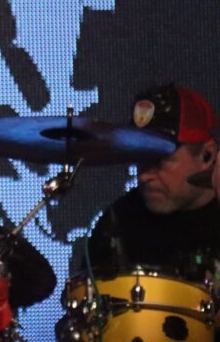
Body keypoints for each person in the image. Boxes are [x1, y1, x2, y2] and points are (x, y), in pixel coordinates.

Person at [87, 84, 220, 278]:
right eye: (141, 157)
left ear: (206, 155)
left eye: (159, 160)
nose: (144, 175)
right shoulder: (118, 221)